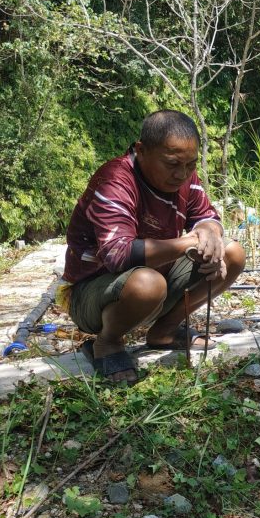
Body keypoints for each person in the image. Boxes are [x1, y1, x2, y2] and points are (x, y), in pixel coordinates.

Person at [60, 110, 245, 383]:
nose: (182, 174)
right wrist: (190, 242)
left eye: (190, 165)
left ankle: (164, 332)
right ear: (141, 150)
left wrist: (210, 235)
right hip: (94, 292)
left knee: (232, 254)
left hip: (156, 275)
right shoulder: (115, 180)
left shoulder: (184, 177)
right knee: (148, 283)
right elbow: (118, 255)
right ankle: (108, 342)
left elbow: (207, 216)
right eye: (172, 163)